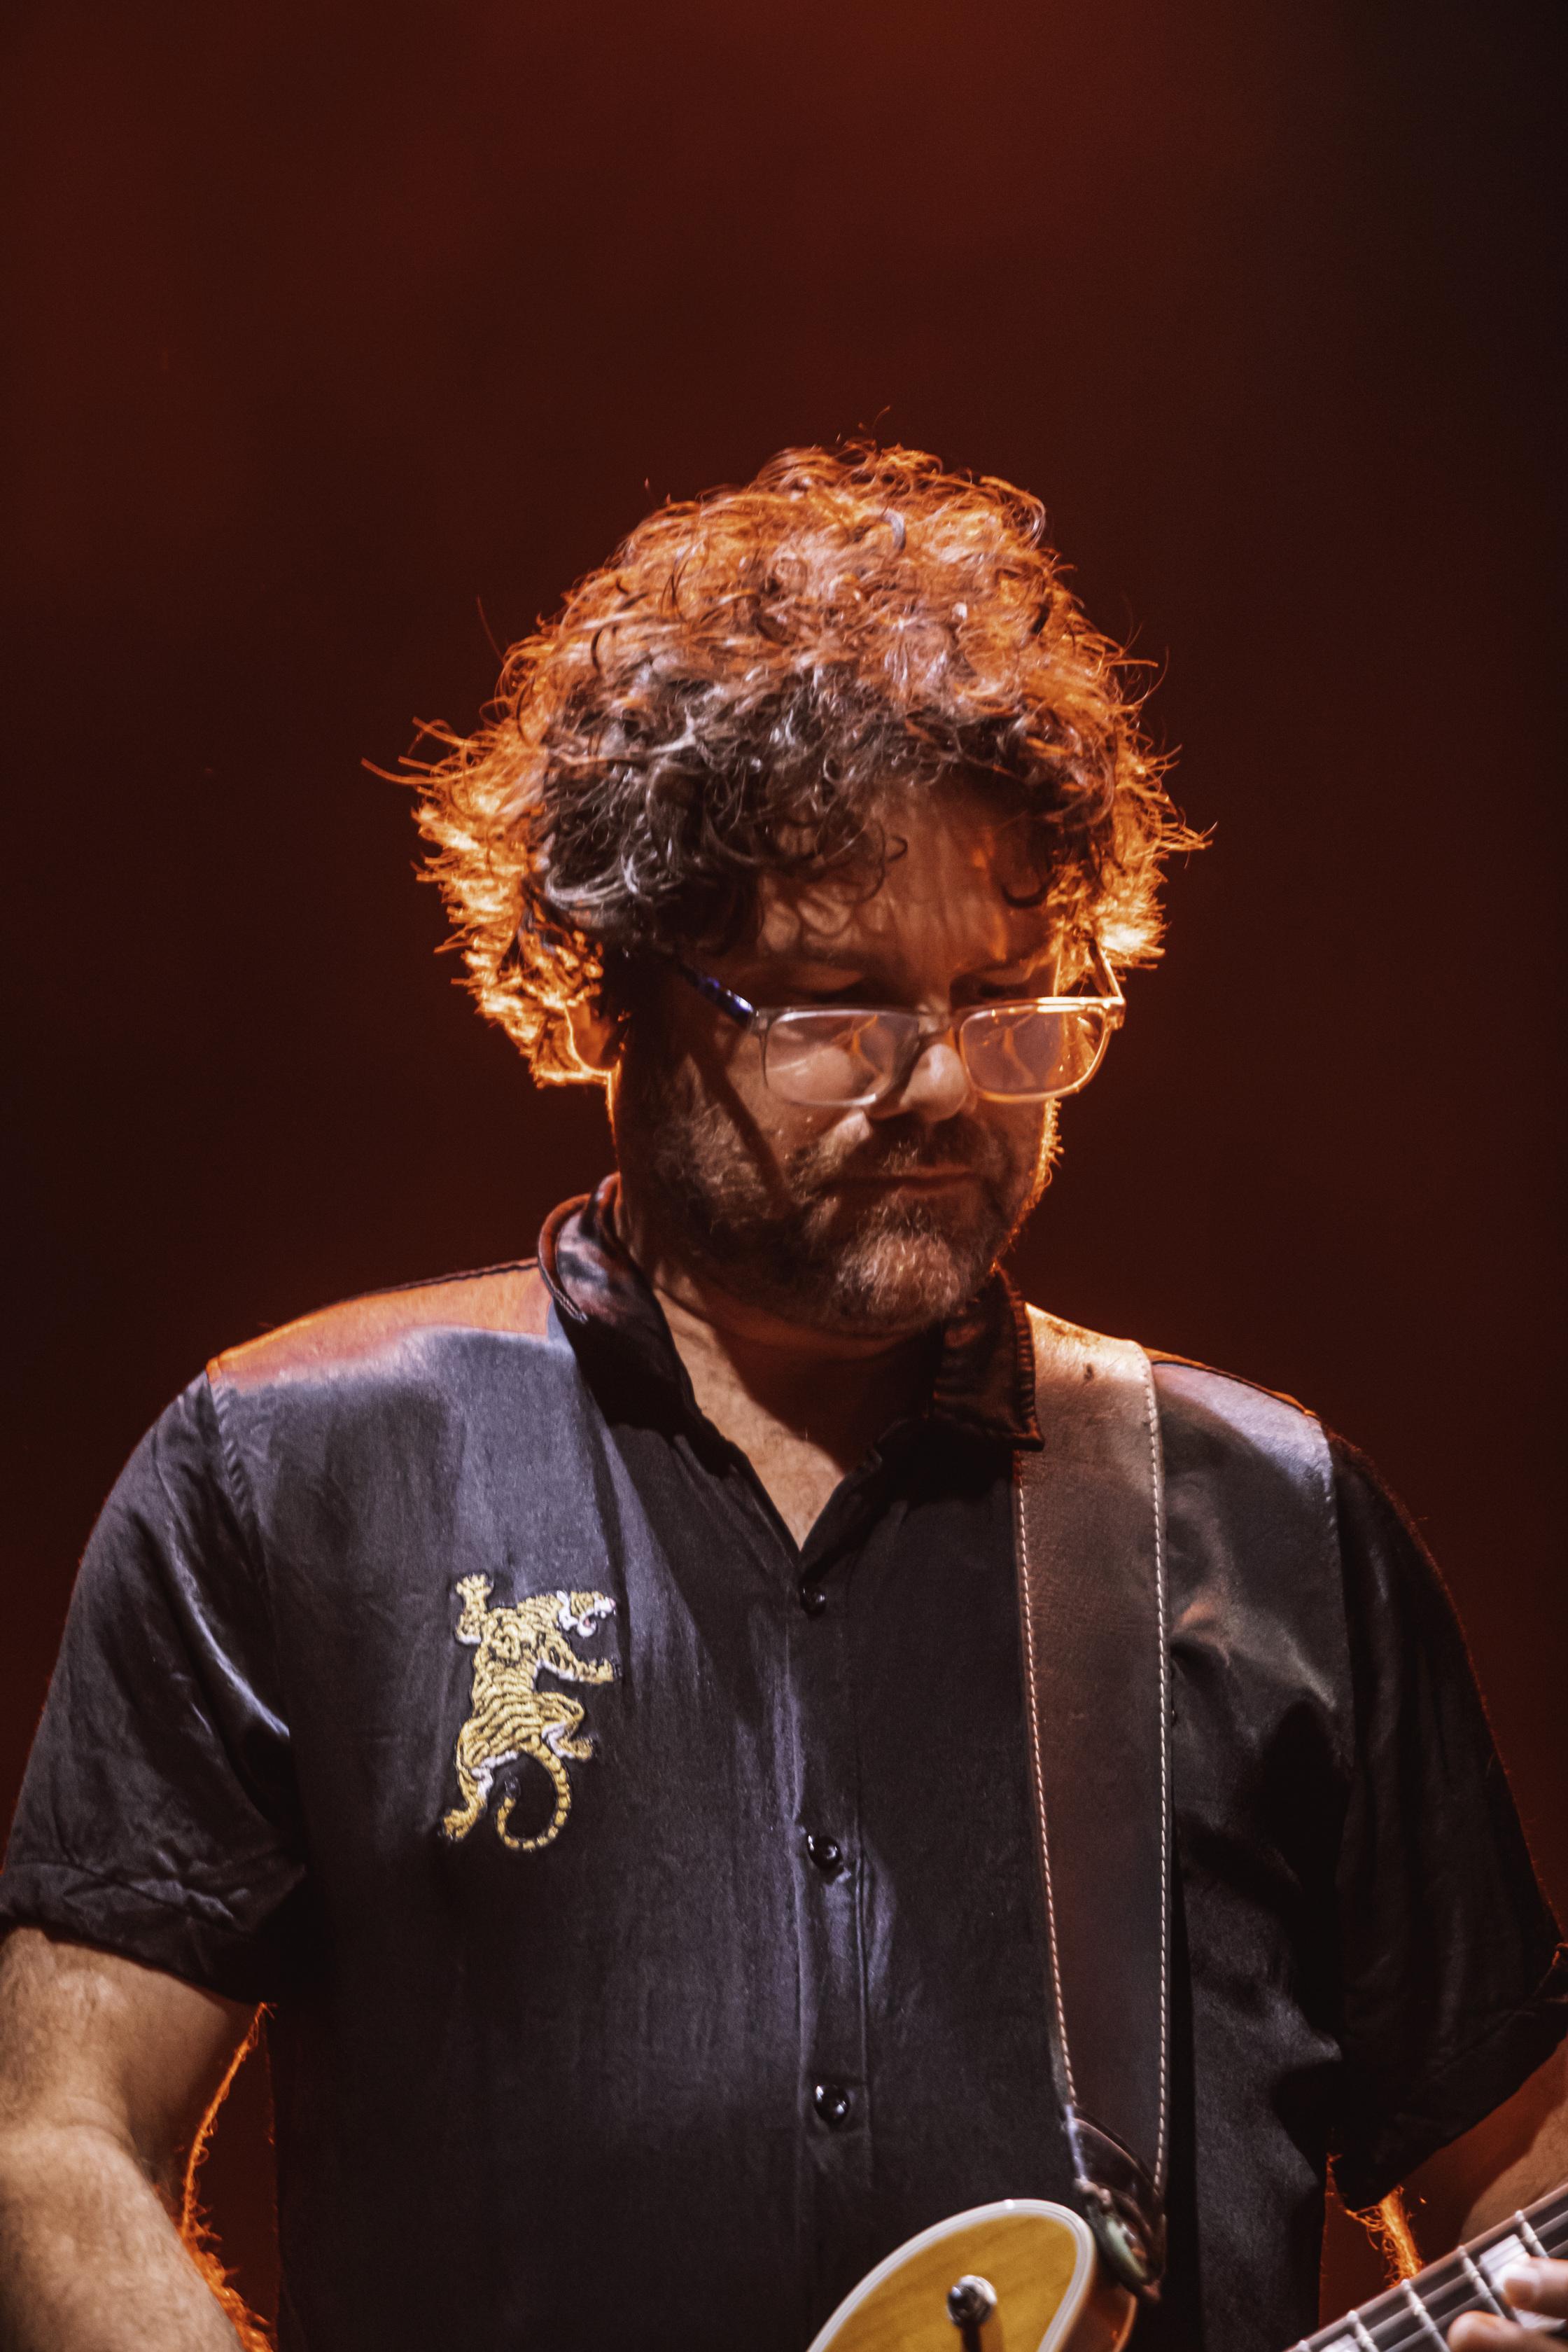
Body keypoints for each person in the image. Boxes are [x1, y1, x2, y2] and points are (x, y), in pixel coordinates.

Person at [0, 445, 1562, 2352]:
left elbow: (1519, 2180)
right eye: (835, 1004)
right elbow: (51, 2146)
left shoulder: (1270, 1524)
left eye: (1007, 999)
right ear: (612, 987)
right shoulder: (295, 1472)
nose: (946, 1085)